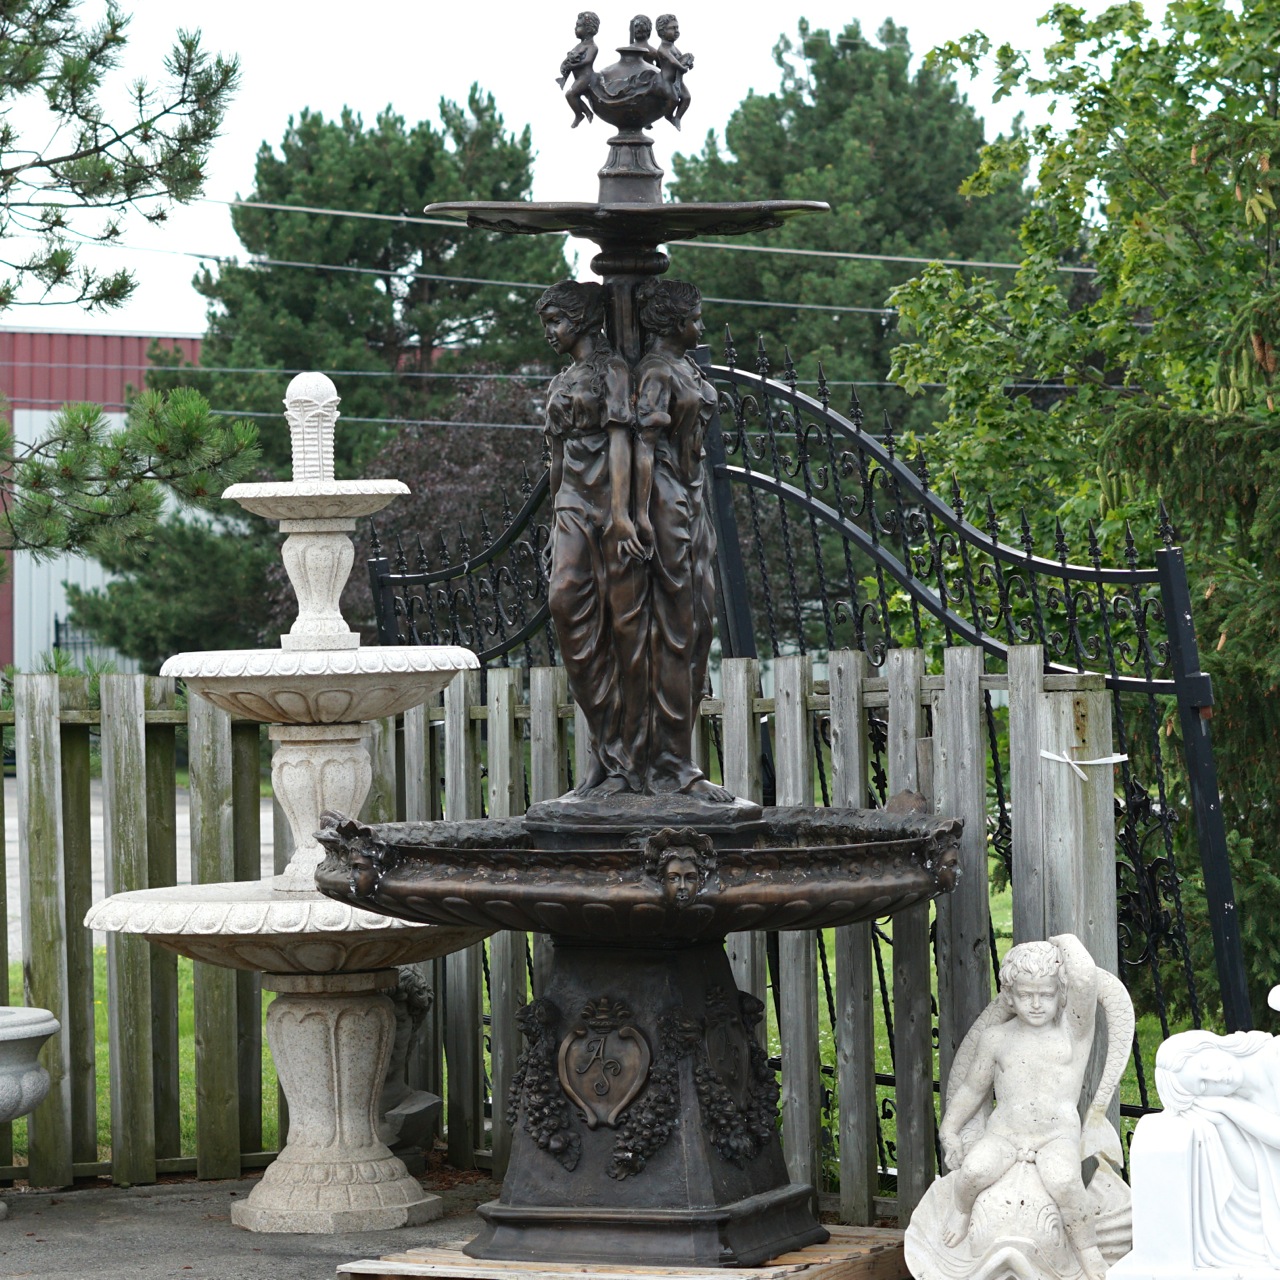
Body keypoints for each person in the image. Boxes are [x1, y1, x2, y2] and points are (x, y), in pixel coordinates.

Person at [937, 936, 1111, 1280]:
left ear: (1060, 995)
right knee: (972, 1171)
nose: (1035, 1004)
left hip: (1055, 1136)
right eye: (1025, 995)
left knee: (1064, 1182)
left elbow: (1085, 980)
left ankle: (1087, 1248)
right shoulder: (996, 1038)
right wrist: (950, 1128)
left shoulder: (1071, 1035)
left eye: (1046, 995)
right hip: (1005, 1134)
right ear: (1009, 996)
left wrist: (1064, 941)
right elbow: (974, 1088)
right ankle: (961, 1210)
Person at [537, 280, 648, 793]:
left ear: (581, 319)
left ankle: (622, 760)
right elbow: (556, 459)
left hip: (606, 505)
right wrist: (556, 514)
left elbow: (621, 441)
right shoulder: (563, 378)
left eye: (556, 321)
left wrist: (623, 513)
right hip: (571, 507)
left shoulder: (615, 372)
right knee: (566, 606)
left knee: (619, 629)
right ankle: (605, 748)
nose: (550, 333)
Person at [633, 279, 730, 800]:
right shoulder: (653, 373)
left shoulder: (683, 367)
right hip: (666, 499)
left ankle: (676, 757)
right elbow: (644, 444)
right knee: (677, 627)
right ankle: (669, 763)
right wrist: (642, 514)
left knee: (698, 628)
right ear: (673, 322)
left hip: (691, 498)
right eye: (696, 317)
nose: (703, 325)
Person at [1155, 1028, 1280, 1265]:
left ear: (1207, 1046)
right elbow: (1254, 1179)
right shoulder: (1236, 1102)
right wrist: (1222, 1119)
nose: (1215, 1077)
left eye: (1204, 1066)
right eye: (1203, 1086)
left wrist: (1228, 1108)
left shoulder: (1275, 1056)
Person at [558, 12, 600, 128]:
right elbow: (569, 58)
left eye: (578, 26)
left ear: (589, 29)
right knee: (572, 95)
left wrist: (573, 66)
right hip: (579, 77)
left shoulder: (592, 47)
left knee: (570, 94)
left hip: (586, 78)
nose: (575, 29)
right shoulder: (578, 46)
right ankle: (586, 112)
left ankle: (580, 115)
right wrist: (564, 65)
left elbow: (587, 61)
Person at [655, 15, 693, 129]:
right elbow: (673, 62)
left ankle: (677, 118)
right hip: (666, 81)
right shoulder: (663, 48)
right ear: (662, 32)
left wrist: (689, 63)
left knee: (687, 98)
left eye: (677, 28)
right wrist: (682, 68)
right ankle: (668, 115)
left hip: (677, 80)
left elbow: (680, 59)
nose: (676, 31)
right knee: (674, 99)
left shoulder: (674, 48)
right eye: (673, 28)